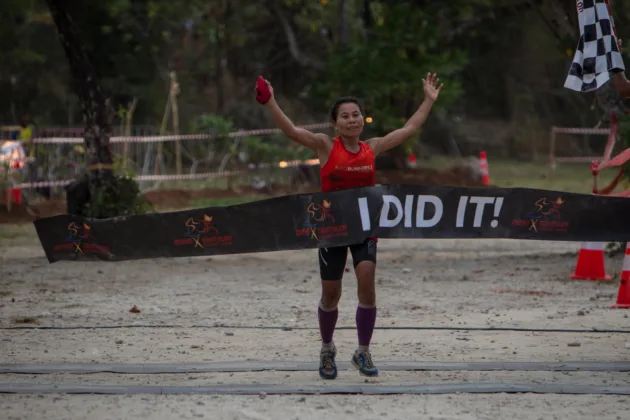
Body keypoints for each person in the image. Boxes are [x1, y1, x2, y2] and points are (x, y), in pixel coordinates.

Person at [257, 73, 443, 379]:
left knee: (367, 281)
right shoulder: (324, 146)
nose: (351, 120)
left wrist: (427, 101)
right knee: (331, 295)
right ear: (335, 123)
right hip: (331, 229)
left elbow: (409, 129)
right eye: (345, 116)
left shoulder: (373, 147)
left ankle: (363, 351)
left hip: (364, 228)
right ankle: (327, 349)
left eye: (356, 114)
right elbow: (290, 130)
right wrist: (270, 101)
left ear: (363, 120)